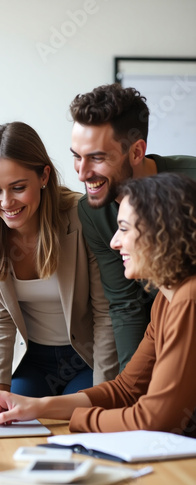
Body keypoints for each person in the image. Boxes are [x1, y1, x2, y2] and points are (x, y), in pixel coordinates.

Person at [0, 173, 196, 437]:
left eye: (125, 228)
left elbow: (153, 418)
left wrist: (74, 421)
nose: (114, 242)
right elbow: (126, 390)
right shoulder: (166, 300)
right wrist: (38, 406)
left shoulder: (188, 298)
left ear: (162, 232)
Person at [0, 122, 118, 399]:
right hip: (30, 360)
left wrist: (103, 392)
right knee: (14, 422)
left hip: (84, 358)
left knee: (77, 423)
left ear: (44, 175)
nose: (6, 202)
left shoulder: (80, 216)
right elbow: (0, 315)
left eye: (18, 187)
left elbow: (105, 314)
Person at [70, 83, 196, 370]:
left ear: (137, 152)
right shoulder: (93, 212)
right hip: (164, 337)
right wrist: (132, 389)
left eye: (97, 157)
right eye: (77, 156)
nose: (82, 173)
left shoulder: (191, 182)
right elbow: (126, 305)